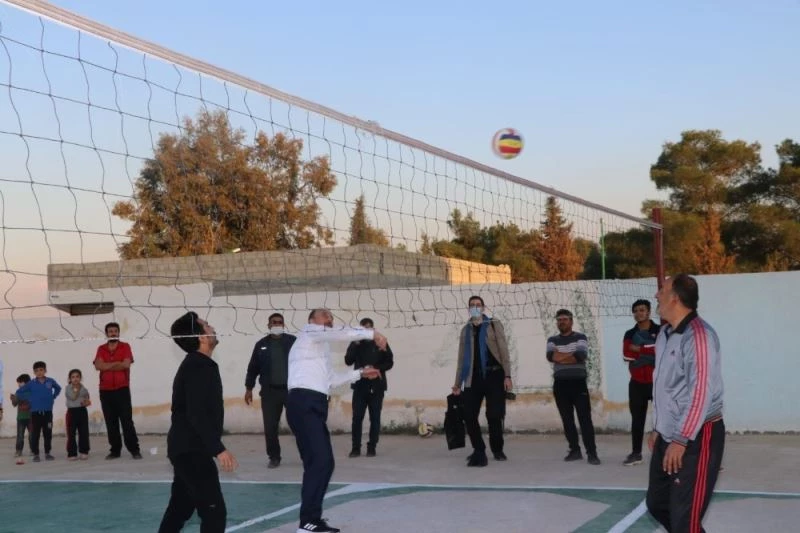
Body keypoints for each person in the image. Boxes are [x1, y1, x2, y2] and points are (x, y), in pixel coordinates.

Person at [287, 308, 386, 533]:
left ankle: (310, 521)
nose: (330, 319)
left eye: (331, 317)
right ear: (311, 320)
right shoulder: (310, 332)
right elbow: (341, 333)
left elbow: (331, 380)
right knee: (322, 461)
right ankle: (308, 522)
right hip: (304, 402)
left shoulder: (319, 347)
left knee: (319, 463)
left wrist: (360, 373)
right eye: (325, 315)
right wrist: (372, 333)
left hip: (313, 404)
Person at [646, 274, 725, 533]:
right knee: (657, 503)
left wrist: (681, 440)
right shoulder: (665, 334)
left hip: (696, 436)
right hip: (668, 433)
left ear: (675, 298)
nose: (656, 295)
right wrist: (658, 427)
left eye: (662, 291)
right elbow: (663, 386)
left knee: (685, 518)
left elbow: (700, 392)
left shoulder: (698, 336)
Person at [159, 311, 238, 533]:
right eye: (208, 326)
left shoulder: (198, 364)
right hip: (191, 451)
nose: (213, 329)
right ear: (201, 337)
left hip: (187, 448)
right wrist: (218, 449)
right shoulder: (198, 366)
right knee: (214, 512)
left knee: (180, 508)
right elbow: (197, 414)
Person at [451, 295, 512, 466]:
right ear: (469, 309)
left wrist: (507, 375)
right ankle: (479, 449)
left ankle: (497, 449)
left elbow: (503, 350)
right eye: (472, 305)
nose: (475, 307)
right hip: (473, 378)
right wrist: (457, 383)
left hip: (494, 375)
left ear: (483, 308)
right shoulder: (466, 330)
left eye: (478, 305)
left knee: (494, 415)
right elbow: (461, 358)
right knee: (469, 415)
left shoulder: (493, 324)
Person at [546, 309, 601, 465]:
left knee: (585, 420)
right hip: (560, 385)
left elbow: (581, 356)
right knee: (567, 420)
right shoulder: (552, 339)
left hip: (578, 384)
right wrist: (570, 356)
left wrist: (560, 357)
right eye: (559, 320)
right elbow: (550, 356)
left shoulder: (580, 337)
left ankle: (592, 453)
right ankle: (575, 450)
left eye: (565, 319)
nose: (561, 322)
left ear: (571, 321)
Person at [245, 312, 296, 469]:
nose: (277, 325)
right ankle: (274, 457)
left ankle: (308, 454)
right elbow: (253, 368)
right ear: (268, 325)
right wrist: (249, 388)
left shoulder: (293, 342)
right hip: (269, 393)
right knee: (270, 427)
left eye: (279, 322)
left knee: (299, 424)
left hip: (291, 391)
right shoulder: (261, 345)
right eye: (274, 322)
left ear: (284, 325)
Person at [345, 317, 394, 458]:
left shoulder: (380, 341)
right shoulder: (355, 342)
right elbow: (348, 361)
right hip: (360, 386)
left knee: (375, 418)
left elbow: (390, 362)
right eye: (363, 328)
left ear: (373, 329)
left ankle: (372, 447)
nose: (366, 331)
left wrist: (376, 368)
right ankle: (355, 448)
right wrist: (355, 344)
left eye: (369, 328)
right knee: (357, 418)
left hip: (377, 386)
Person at [93, 322, 142, 460]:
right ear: (106, 334)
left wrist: (107, 365)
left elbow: (126, 364)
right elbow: (98, 366)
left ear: (119, 333)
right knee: (111, 422)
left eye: (115, 331)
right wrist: (116, 364)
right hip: (105, 390)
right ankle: (115, 451)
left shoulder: (125, 346)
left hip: (122, 389)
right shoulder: (101, 348)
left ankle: (134, 450)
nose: (113, 333)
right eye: (110, 331)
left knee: (127, 421)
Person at [622, 299, 661, 466]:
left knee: (662, 419)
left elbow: (662, 352)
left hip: (657, 383)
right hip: (637, 383)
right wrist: (650, 354)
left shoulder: (660, 330)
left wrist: (640, 350)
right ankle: (636, 453)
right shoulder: (629, 334)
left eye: (642, 310)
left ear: (649, 312)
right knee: (637, 420)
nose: (639, 313)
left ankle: (662, 453)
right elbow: (627, 355)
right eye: (636, 310)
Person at [15, 361, 61, 462]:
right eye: (36, 371)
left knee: (48, 433)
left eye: (41, 370)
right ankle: (36, 454)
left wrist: (53, 396)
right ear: (34, 372)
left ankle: (47, 453)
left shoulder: (50, 381)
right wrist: (29, 399)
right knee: (35, 434)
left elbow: (58, 388)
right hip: (35, 414)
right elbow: (19, 392)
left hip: (48, 413)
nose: (39, 372)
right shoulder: (31, 383)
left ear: (45, 370)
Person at [65, 368, 91, 461]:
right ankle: (72, 453)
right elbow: (73, 397)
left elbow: (87, 398)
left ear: (80, 378)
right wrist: (78, 389)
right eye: (73, 377)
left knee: (84, 432)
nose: (75, 379)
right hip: (72, 412)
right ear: (70, 379)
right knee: (71, 433)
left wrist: (87, 402)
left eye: (77, 377)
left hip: (82, 411)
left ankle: (84, 451)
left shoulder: (84, 388)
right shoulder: (68, 388)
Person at [10, 373, 32, 463]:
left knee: (32, 435)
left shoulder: (32, 392)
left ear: (26, 383)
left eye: (20, 382)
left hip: (31, 417)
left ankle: (33, 450)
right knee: (20, 435)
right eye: (18, 383)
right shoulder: (18, 392)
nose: (18, 384)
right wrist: (13, 399)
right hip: (21, 418)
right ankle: (18, 450)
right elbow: (14, 404)